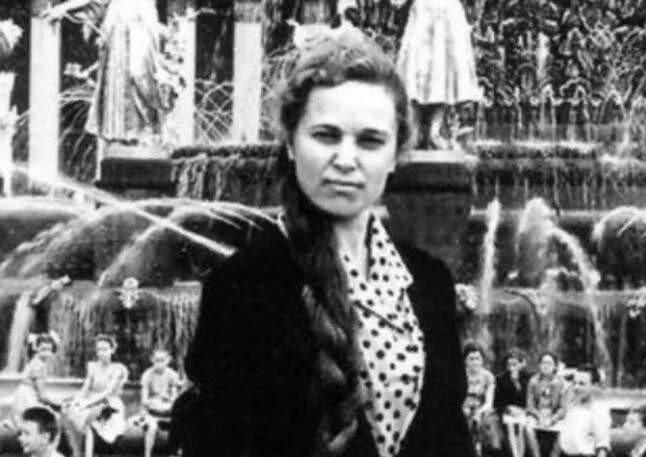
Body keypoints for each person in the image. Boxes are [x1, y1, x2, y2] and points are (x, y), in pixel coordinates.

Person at [172, 31, 474, 457]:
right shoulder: (242, 284)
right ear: (291, 145)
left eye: (370, 141)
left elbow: (450, 436)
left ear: (394, 156)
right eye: (326, 136)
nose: (346, 160)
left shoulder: (430, 282)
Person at [41, 0, 168, 154]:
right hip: (118, 24)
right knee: (118, 80)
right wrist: (63, 8)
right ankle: (126, 134)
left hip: (143, 21)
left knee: (140, 73)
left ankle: (150, 128)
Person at [393, 0, 482, 150]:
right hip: (423, 13)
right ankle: (414, 129)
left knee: (443, 70)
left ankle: (435, 130)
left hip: (448, 13)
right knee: (417, 69)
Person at [61, 335, 128, 457]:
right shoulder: (93, 367)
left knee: (90, 418)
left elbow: (108, 391)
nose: (102, 353)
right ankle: (76, 451)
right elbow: (85, 388)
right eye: (99, 350)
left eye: (105, 349)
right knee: (67, 410)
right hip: (91, 399)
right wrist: (77, 401)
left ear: (112, 350)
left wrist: (87, 403)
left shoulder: (118, 369)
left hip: (109, 402)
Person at [131, 349, 182, 457]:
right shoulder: (147, 374)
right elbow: (144, 398)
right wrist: (151, 403)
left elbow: (175, 397)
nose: (159, 363)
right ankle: (147, 454)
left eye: (162, 360)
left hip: (167, 410)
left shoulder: (172, 374)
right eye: (157, 360)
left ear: (168, 360)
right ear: (152, 360)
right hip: (151, 410)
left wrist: (169, 400)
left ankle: (175, 452)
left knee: (179, 423)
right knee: (152, 427)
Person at [556, 365, 610, 457]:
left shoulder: (599, 411)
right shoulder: (573, 406)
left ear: (594, 386)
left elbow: (602, 445)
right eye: (574, 383)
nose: (576, 387)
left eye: (582, 384)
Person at [10, 333, 60, 429]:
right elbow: (41, 396)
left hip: (20, 397)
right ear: (36, 348)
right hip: (28, 400)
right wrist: (56, 404)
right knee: (54, 418)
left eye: (49, 350)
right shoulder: (40, 366)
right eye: (43, 349)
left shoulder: (33, 361)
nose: (46, 353)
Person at [463, 342, 500, 455]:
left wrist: (479, 412)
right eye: (471, 359)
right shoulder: (460, 375)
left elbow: (489, 402)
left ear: (482, 360)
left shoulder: (488, 376)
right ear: (465, 360)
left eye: (477, 359)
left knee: (482, 421)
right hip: (463, 408)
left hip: (482, 409)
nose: (475, 362)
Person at [525, 351, 566, 457]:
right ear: (539, 365)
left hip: (553, 415)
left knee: (565, 430)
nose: (546, 366)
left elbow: (563, 408)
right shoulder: (533, 381)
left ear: (555, 366)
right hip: (536, 414)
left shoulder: (561, 382)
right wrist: (539, 417)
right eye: (543, 362)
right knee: (528, 428)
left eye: (549, 363)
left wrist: (552, 419)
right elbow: (530, 406)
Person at [494, 349, 531, 457]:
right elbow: (497, 401)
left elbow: (527, 398)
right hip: (508, 411)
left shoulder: (527, 378)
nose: (512, 368)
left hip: (523, 410)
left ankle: (521, 454)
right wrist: (508, 408)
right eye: (509, 365)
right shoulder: (501, 378)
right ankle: (515, 454)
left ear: (521, 364)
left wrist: (516, 383)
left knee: (521, 426)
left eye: (514, 364)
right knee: (510, 425)